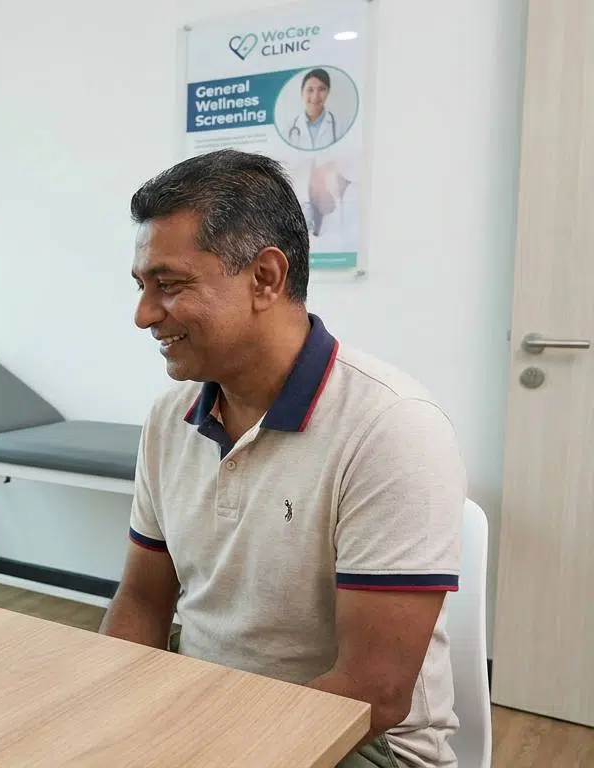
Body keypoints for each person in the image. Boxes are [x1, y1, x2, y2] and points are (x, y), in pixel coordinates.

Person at [101, 149, 464, 768]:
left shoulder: (391, 427)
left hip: (362, 746)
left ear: (266, 278)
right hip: (201, 712)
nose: (142, 316)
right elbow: (140, 602)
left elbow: (374, 693)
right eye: (141, 287)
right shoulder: (170, 417)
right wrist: (106, 715)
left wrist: (204, 748)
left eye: (169, 285)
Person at [285, 68, 339, 150]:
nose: (315, 96)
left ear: (328, 92)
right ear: (302, 93)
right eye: (310, 90)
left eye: (322, 89)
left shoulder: (340, 126)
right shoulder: (288, 128)